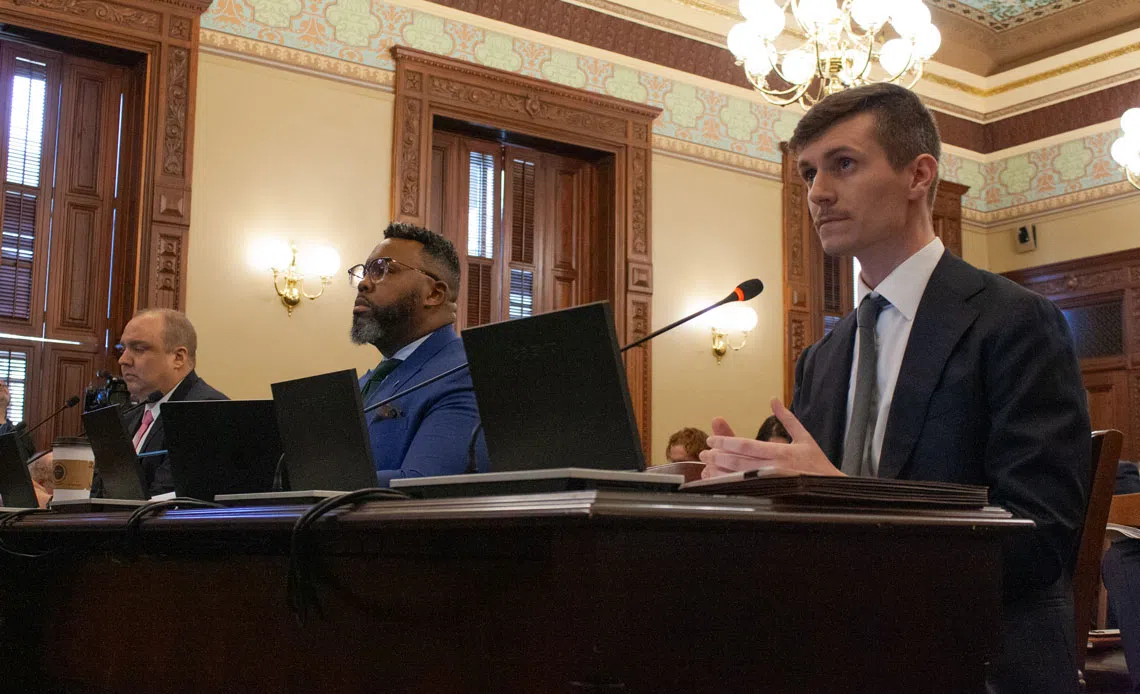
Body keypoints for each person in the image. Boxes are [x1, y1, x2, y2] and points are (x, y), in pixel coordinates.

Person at [699, 83, 1090, 693]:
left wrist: (844, 497)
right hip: (840, 652)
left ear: (918, 175)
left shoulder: (1015, 322)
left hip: (978, 656)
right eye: (807, 173)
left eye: (844, 164)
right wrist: (748, 494)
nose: (818, 193)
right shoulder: (822, 359)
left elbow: (1037, 542)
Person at [350, 222, 488, 486]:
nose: (364, 284)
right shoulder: (365, 384)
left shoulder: (466, 374)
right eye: (364, 272)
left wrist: (312, 485)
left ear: (435, 294)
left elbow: (425, 487)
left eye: (382, 270)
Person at [91, 309, 227, 498]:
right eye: (123, 349)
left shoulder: (204, 410)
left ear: (178, 358)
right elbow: (100, 492)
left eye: (139, 349)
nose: (123, 360)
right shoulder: (129, 417)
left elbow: (166, 500)